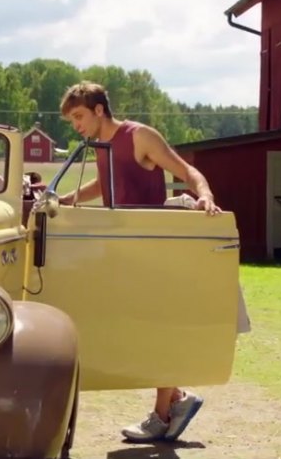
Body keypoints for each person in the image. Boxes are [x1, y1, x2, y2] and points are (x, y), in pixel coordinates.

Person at [57, 81, 220, 443]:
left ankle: (163, 413)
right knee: (138, 326)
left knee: (155, 325)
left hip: (153, 245)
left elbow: (186, 171)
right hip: (122, 247)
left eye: (79, 117)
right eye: (72, 121)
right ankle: (174, 398)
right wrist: (63, 199)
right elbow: (103, 185)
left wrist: (205, 195)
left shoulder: (139, 137)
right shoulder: (100, 145)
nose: (77, 126)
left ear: (100, 110)